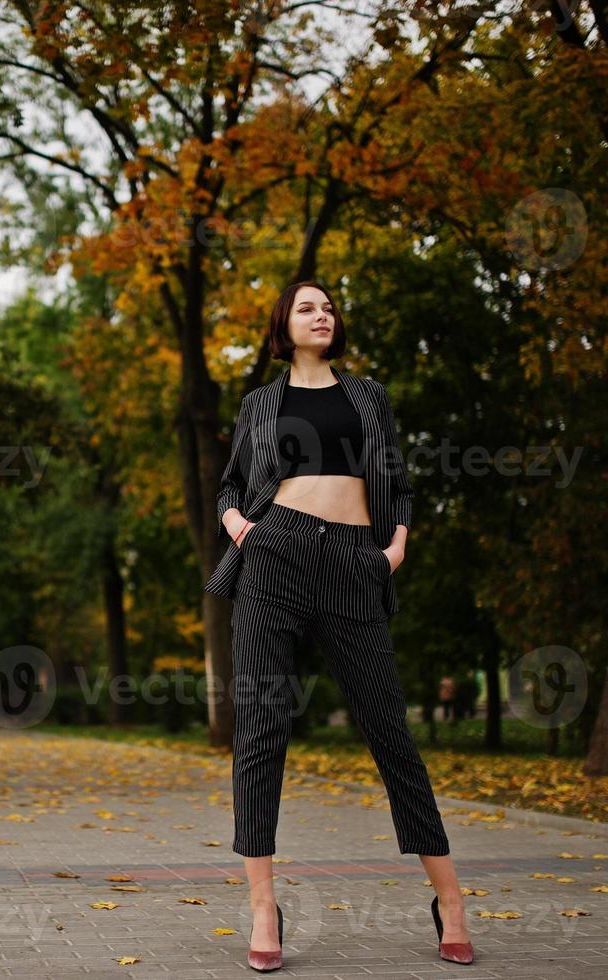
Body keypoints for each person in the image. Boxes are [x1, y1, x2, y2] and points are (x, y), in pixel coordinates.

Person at [204, 281, 474, 972]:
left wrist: (394, 549)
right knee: (261, 730)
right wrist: (241, 529)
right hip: (274, 555)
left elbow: (399, 484)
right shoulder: (259, 404)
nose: (321, 315)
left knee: (390, 731)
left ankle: (450, 899)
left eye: (327, 307)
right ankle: (264, 908)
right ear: (282, 325)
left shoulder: (366, 396)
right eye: (306, 307)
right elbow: (230, 485)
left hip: (355, 561)